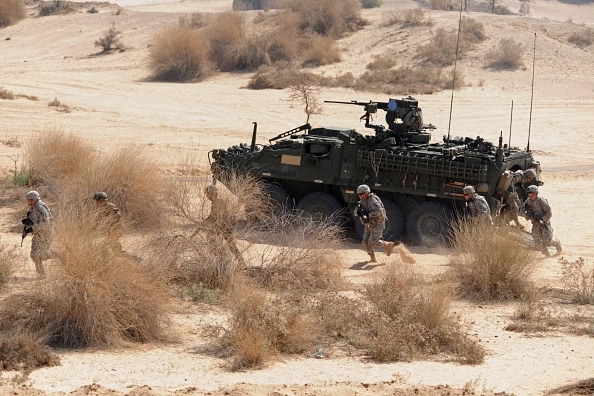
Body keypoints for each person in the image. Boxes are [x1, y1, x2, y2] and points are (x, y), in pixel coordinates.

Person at [201, 184, 244, 264]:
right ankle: (239, 261)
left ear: (212, 194)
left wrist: (212, 227)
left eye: (207, 194)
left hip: (224, 227)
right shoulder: (216, 201)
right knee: (230, 246)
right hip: (223, 227)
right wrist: (205, 222)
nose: (207, 197)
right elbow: (212, 216)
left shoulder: (218, 202)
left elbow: (217, 216)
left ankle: (233, 263)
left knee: (225, 245)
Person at [353, 184, 394, 263]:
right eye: (358, 194)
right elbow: (355, 211)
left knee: (373, 242)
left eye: (361, 194)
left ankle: (387, 245)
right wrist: (358, 213)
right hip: (369, 223)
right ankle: (373, 259)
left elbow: (379, 211)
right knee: (365, 243)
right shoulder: (362, 201)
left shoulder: (372, 200)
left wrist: (368, 215)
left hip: (378, 223)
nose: (359, 196)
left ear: (366, 193)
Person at [520, 185, 562, 257]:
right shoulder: (527, 202)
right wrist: (527, 215)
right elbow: (521, 212)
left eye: (530, 192)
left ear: (535, 193)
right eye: (528, 193)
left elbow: (549, 213)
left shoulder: (541, 201)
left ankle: (557, 243)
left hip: (544, 223)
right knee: (537, 241)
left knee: (547, 242)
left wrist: (543, 219)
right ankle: (547, 255)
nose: (528, 194)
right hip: (535, 224)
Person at [24, 190, 53, 276]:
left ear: (36, 199)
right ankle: (41, 274)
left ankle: (58, 254)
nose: (29, 201)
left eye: (31, 199)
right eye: (28, 199)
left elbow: (45, 223)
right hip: (39, 233)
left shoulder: (40, 208)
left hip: (46, 233)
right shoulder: (33, 207)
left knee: (41, 255)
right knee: (33, 255)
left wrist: (31, 229)